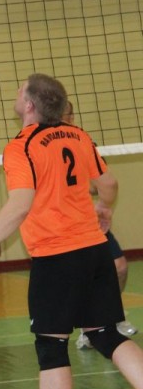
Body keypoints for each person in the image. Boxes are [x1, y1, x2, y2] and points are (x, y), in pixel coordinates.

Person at [0, 74, 143, 389]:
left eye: (20, 89)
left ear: (29, 105)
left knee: (51, 348)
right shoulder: (78, 136)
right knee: (107, 335)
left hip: (57, 258)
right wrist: (105, 207)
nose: (16, 93)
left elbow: (19, 206)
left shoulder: (21, 147)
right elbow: (109, 183)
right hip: (95, 252)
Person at [62, 100, 138, 348]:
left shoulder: (83, 142)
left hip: (89, 221)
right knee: (81, 276)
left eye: (68, 114)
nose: (65, 118)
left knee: (120, 267)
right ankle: (89, 328)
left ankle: (114, 316)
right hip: (61, 225)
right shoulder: (40, 144)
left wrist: (91, 192)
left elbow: (100, 184)